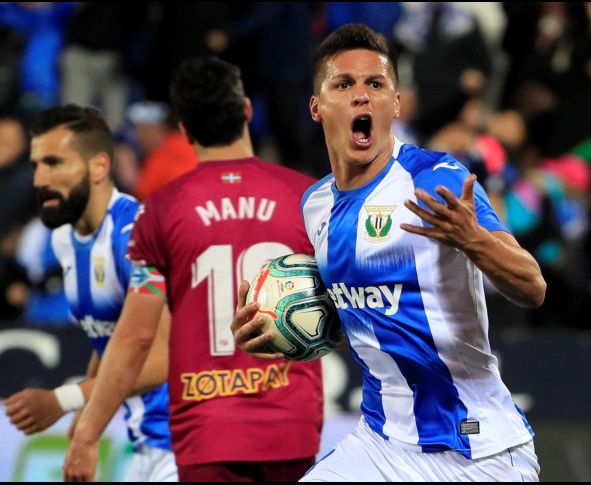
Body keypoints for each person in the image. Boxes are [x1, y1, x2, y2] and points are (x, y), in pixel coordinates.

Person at [232, 24, 546, 482]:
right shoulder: (315, 204)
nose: (362, 96)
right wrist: (278, 328)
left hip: (476, 449)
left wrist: (473, 239)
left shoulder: (434, 178)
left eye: (375, 84)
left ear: (394, 104)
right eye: (344, 84)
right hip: (381, 443)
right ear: (317, 107)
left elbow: (533, 286)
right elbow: (362, 317)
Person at [64, 57, 323, 482]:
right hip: (290, 425)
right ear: (246, 110)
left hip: (207, 432)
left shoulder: (162, 211)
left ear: (183, 130)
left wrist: (88, 434)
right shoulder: (306, 198)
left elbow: (135, 336)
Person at [4, 105, 176, 481]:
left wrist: (65, 400)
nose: (39, 179)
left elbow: (167, 358)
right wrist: (88, 421)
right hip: (147, 443)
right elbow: (114, 337)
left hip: (188, 440)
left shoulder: (135, 235)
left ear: (99, 167)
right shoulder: (66, 240)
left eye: (54, 163)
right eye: (36, 165)